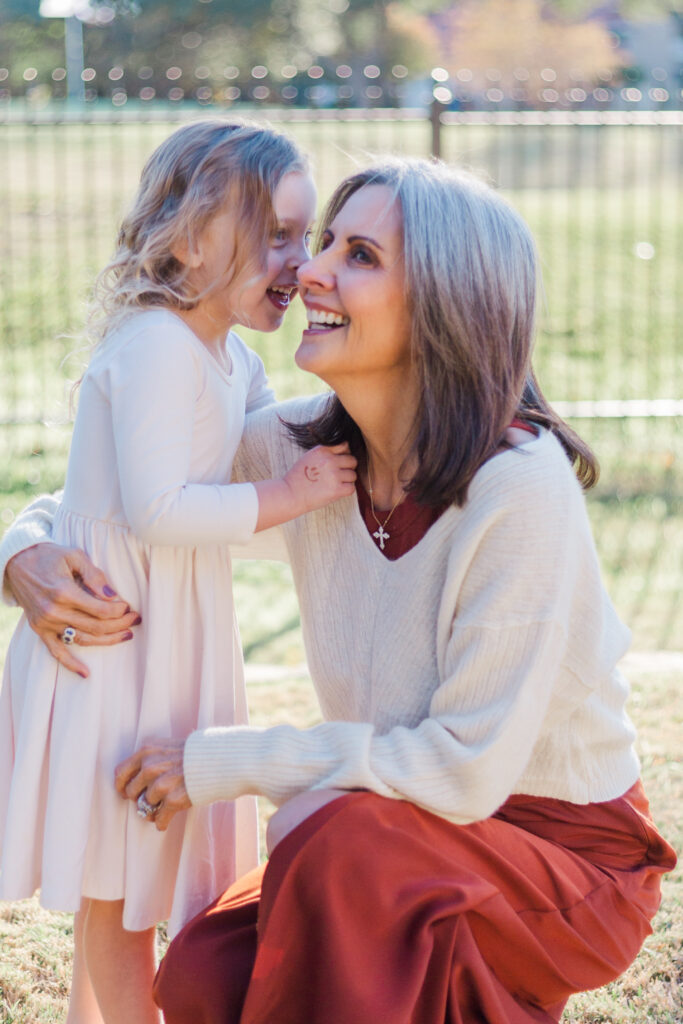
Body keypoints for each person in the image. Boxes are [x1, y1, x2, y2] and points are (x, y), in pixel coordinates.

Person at [1, 158, 675, 1024]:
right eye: (322, 241)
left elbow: (461, 771)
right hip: (384, 829)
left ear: (444, 302)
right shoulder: (305, 455)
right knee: (205, 972)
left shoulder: (518, 486)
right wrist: (24, 554)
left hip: (560, 860)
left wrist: (219, 761)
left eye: (357, 254)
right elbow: (123, 499)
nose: (307, 270)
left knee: (338, 848)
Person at [0, 119, 357, 1024]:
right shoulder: (157, 343)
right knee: (119, 878)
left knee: (138, 862)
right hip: (115, 638)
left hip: (171, 627)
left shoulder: (229, 355)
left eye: (303, 237)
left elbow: (254, 458)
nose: (297, 261)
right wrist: (294, 489)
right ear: (194, 241)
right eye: (274, 235)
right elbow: (163, 508)